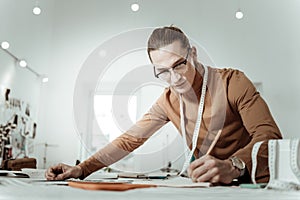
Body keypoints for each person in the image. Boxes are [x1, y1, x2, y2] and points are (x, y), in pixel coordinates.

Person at [45, 26, 282, 184]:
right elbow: (129, 140)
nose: (175, 78)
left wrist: (234, 165)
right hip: (211, 187)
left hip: (252, 181)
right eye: (163, 72)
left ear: (194, 54)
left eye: (179, 65)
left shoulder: (233, 82)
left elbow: (269, 134)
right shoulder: (168, 100)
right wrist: (82, 169)